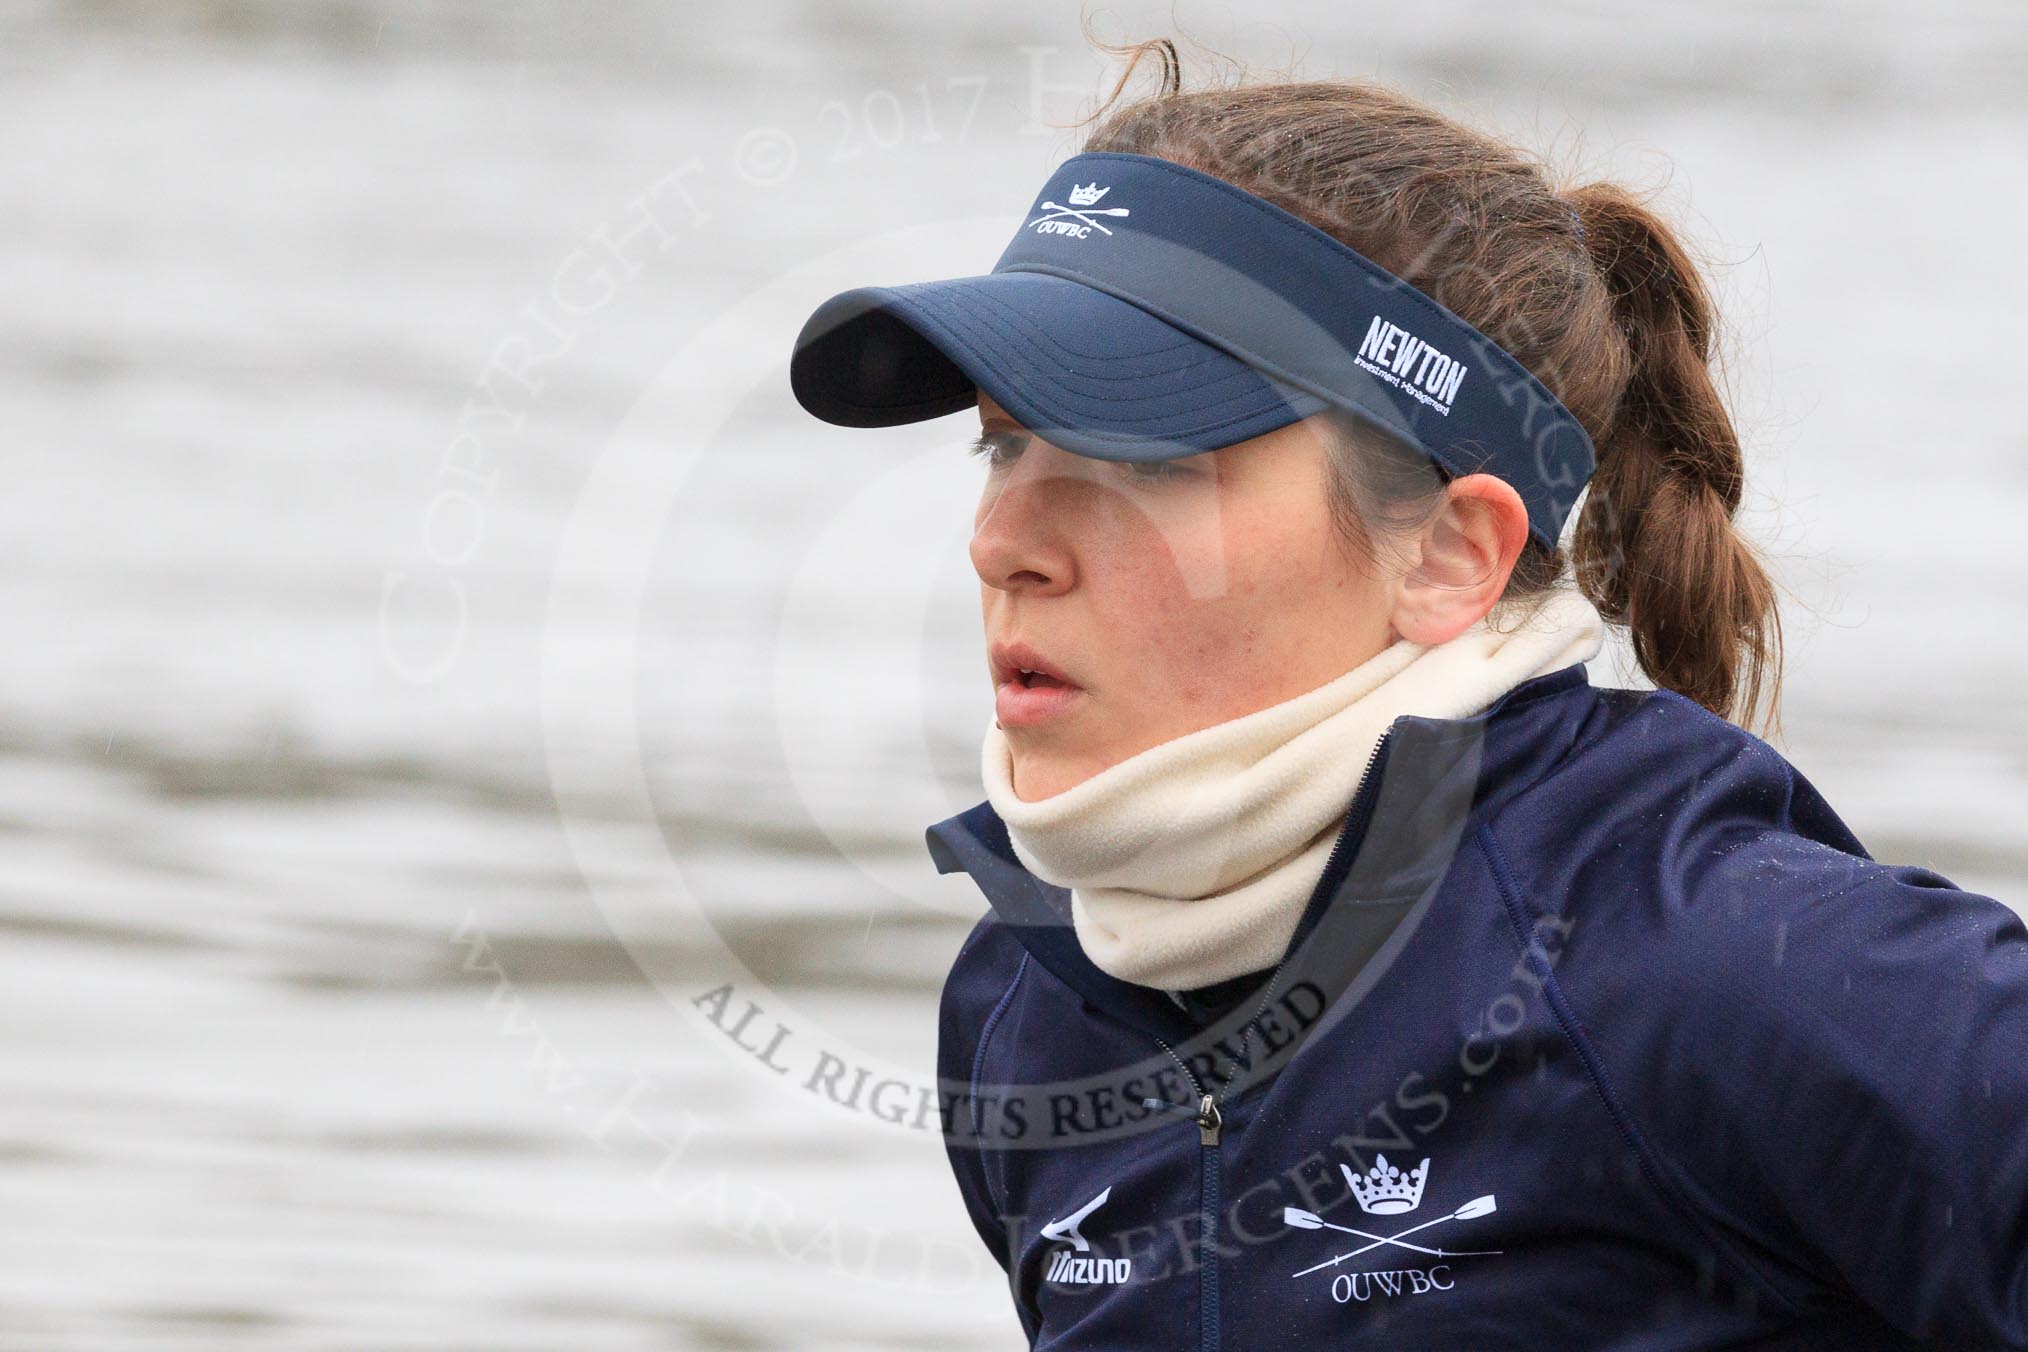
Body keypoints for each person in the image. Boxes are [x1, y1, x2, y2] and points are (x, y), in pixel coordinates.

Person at [789, 41, 2028, 1351]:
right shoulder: (1022, 1010)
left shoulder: (1706, 961)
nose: (1003, 542)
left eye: (1141, 458)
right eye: (1006, 442)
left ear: (1448, 556)